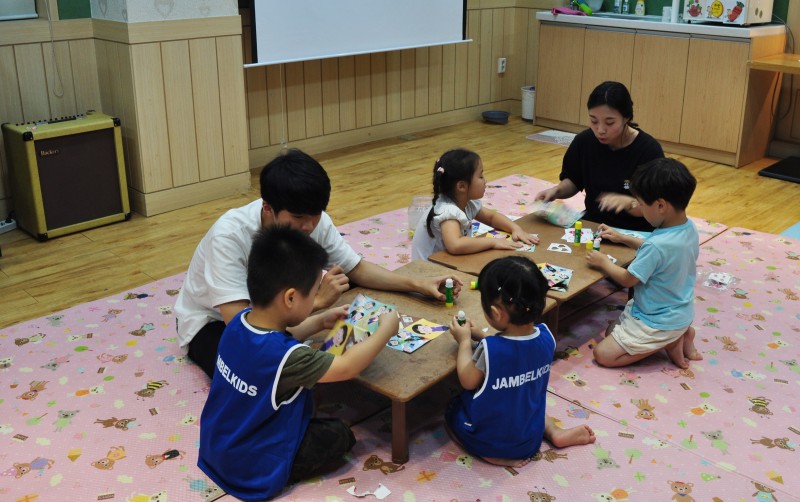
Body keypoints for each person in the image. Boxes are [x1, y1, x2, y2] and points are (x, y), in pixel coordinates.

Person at [175, 148, 461, 378]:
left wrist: (418, 284)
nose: (309, 226)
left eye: (316, 215)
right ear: (267, 208)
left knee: (298, 347)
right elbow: (242, 328)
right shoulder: (229, 236)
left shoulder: (311, 220)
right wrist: (317, 304)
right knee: (248, 370)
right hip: (212, 322)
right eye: (299, 217)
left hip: (271, 310)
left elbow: (356, 268)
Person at [198, 225, 400, 501]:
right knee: (340, 434)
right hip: (250, 471)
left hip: (216, 448)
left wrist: (318, 320)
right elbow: (348, 367)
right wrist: (386, 329)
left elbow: (276, 337)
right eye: (314, 292)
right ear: (291, 297)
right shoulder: (289, 358)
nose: (317, 298)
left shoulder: (238, 323)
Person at [445, 256, 596, 467]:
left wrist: (463, 341)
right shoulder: (546, 337)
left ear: (496, 314)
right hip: (529, 437)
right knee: (525, 398)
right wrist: (481, 336)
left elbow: (468, 380)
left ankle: (494, 455)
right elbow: (516, 352)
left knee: (453, 407)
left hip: (494, 443)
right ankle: (554, 432)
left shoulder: (491, 349)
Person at [586, 158, 701, 369]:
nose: (639, 208)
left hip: (657, 320)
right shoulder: (688, 227)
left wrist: (603, 262)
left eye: (641, 204)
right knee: (612, 330)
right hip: (679, 311)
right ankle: (682, 333)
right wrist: (623, 238)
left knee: (603, 355)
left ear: (660, 205)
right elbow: (662, 250)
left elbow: (628, 279)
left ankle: (669, 341)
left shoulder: (656, 246)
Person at [535, 81, 664, 232]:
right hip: (593, 225)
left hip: (634, 232)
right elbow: (574, 180)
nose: (600, 130)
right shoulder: (584, 141)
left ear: (627, 117)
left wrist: (630, 203)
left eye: (610, 122)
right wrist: (556, 191)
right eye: (593, 121)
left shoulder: (648, 150)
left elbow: (657, 208)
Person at [412, 148, 538, 261]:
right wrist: (492, 242)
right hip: (428, 271)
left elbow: (492, 217)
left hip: (447, 261)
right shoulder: (448, 211)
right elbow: (455, 245)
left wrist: (515, 228)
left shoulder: (467, 203)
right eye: (481, 176)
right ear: (462, 186)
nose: (485, 180)